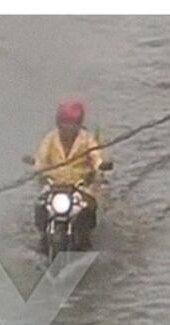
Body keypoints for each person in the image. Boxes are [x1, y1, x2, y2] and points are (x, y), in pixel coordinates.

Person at [31, 97, 106, 247]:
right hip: (54, 185)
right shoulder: (51, 138)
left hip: (80, 186)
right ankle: (43, 235)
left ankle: (85, 237)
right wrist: (37, 169)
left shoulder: (86, 139)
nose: (68, 128)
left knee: (88, 208)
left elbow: (95, 156)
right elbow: (41, 157)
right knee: (40, 206)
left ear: (79, 124)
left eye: (72, 124)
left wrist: (101, 165)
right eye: (64, 123)